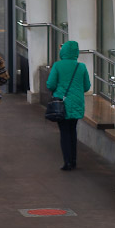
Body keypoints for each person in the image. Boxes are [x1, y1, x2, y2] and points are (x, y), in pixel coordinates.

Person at [44, 39, 90, 172]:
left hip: (61, 103)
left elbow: (50, 84)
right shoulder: (81, 67)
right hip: (76, 103)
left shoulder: (58, 65)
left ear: (63, 51)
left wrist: (59, 89)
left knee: (64, 132)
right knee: (72, 131)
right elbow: (86, 86)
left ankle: (67, 162)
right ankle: (74, 160)